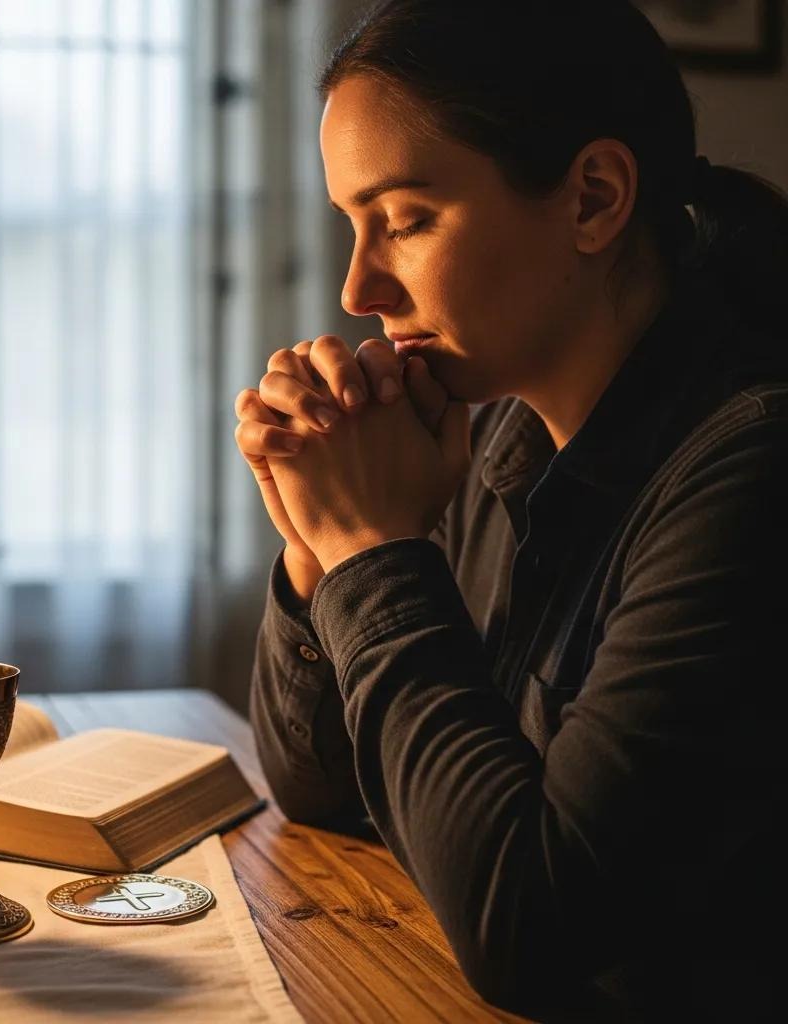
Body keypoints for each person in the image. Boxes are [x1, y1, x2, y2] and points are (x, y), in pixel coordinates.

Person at [233, 1, 788, 1020]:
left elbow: (529, 927)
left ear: (592, 197)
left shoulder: (751, 468)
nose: (358, 288)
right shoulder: (491, 431)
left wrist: (371, 548)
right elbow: (318, 785)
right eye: (350, 227)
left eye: (401, 220)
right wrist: (315, 545)